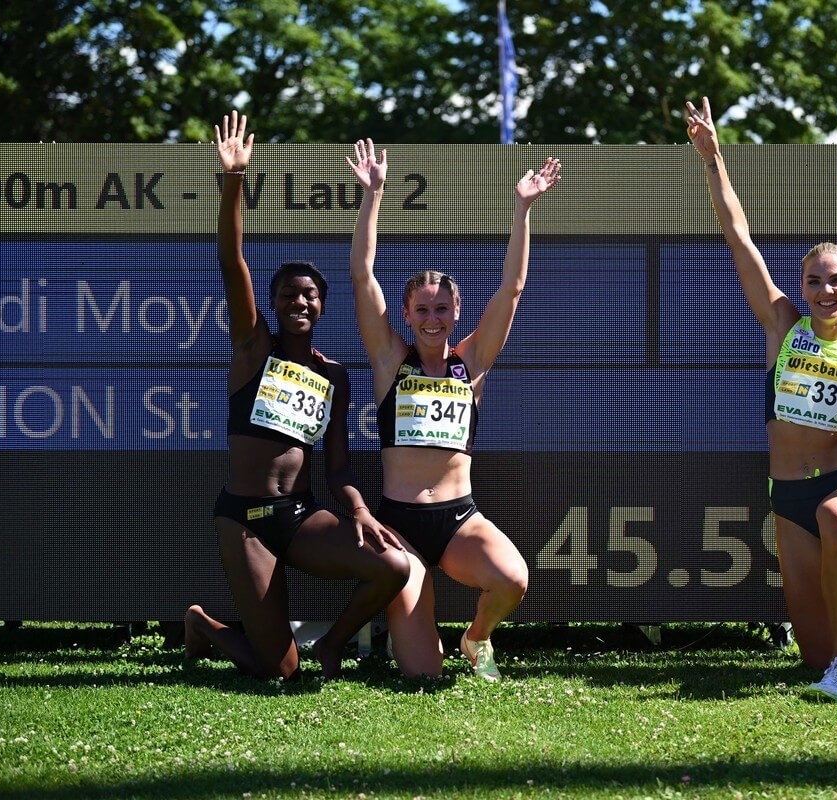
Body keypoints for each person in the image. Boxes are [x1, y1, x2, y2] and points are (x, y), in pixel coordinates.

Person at [183, 111, 411, 681]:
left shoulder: (333, 375)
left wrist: (357, 509)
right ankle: (204, 626)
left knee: (393, 566)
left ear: (322, 307)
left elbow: (338, 465)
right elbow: (231, 261)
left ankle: (333, 645)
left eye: (310, 296)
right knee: (279, 671)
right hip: (247, 520)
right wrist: (233, 180)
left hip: (302, 516)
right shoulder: (254, 346)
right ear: (274, 302)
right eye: (289, 294)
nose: (300, 303)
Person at [685, 96, 837, 700]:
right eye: (814, 280)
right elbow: (737, 234)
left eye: (836, 280)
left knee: (836, 518)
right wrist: (713, 158)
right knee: (813, 652)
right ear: (801, 288)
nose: (825, 289)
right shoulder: (783, 325)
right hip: (789, 496)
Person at [346, 138, 561, 680]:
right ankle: (421, 643)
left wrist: (523, 209)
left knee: (513, 578)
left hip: (460, 519)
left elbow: (511, 291)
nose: (433, 318)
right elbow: (360, 276)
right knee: (422, 676)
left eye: (443, 308)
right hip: (400, 524)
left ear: (457, 311)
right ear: (408, 313)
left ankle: (476, 637)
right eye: (423, 309)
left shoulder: (473, 363)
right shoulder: (391, 359)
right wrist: (372, 196)